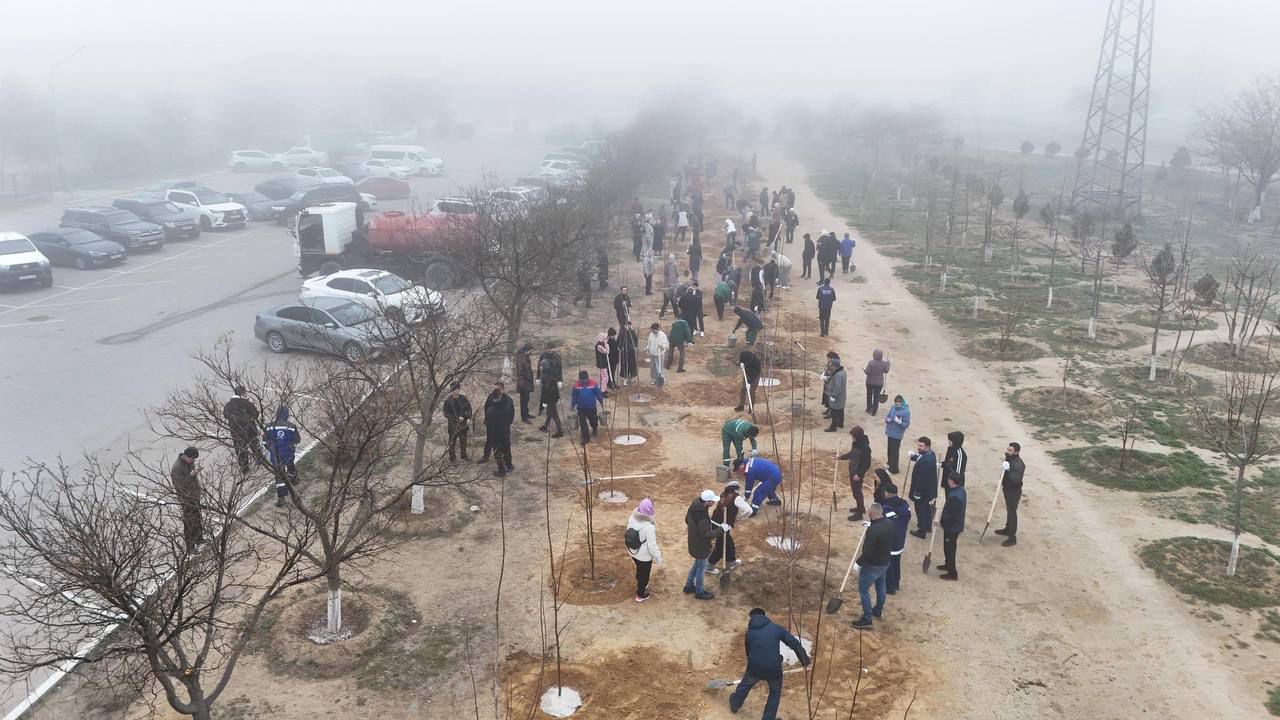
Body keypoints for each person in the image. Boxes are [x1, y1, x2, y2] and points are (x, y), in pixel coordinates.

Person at [729, 607, 811, 719]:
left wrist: (755, 665)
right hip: (773, 669)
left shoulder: (749, 633)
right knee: (775, 693)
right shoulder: (776, 628)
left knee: (745, 683)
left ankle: (735, 704)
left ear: (751, 618)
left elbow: (749, 652)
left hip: (754, 667)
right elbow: (794, 644)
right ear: (764, 616)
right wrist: (805, 661)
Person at [850, 503, 892, 630]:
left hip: (873, 565)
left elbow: (867, 552)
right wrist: (872, 525)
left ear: (871, 514)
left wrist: (858, 563)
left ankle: (867, 618)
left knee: (863, 589)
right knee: (881, 586)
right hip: (885, 562)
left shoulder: (873, 531)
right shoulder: (889, 523)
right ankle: (878, 610)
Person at [708, 480, 752, 576]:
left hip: (714, 521)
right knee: (721, 546)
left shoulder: (723, 494)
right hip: (723, 526)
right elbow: (749, 510)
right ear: (737, 489)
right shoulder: (737, 498)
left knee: (729, 543)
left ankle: (731, 561)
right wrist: (739, 518)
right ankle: (709, 565)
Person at [684, 489, 723, 600]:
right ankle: (699, 592)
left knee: (697, 564)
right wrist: (720, 530)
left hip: (693, 542)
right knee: (701, 569)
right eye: (712, 501)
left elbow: (687, 520)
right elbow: (706, 535)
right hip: (701, 546)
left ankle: (689, 585)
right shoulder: (703, 517)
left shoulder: (694, 505)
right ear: (707, 502)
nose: (713, 503)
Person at [626, 498, 663, 602]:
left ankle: (640, 581)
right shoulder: (649, 527)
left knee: (639, 569)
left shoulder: (632, 517)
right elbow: (652, 546)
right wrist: (658, 557)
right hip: (644, 556)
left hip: (633, 551)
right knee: (644, 575)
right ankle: (640, 594)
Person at [264, 406, 300, 506]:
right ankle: (293, 478)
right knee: (290, 465)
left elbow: (264, 442)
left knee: (279, 475)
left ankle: (282, 498)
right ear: (286, 415)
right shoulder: (291, 426)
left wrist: (271, 449)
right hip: (288, 452)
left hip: (275, 455)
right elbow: (297, 440)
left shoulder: (269, 427)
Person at [881, 482, 912, 595]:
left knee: (889, 564)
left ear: (887, 493)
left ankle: (890, 587)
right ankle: (896, 583)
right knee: (896, 561)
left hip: (890, 540)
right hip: (900, 538)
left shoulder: (885, 507)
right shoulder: (905, 504)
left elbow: (883, 522)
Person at [170, 447, 204, 550]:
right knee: (189, 521)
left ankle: (199, 539)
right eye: (192, 458)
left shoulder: (190, 463)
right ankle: (190, 546)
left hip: (194, 495)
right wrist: (191, 475)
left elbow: (193, 479)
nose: (193, 461)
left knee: (197, 518)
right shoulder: (177, 467)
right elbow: (180, 485)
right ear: (186, 456)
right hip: (186, 498)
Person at [223, 386, 259, 476]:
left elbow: (225, 415)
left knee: (240, 448)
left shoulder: (228, 405)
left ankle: (244, 468)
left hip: (236, 431)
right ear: (242, 393)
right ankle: (259, 459)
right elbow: (255, 414)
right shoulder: (246, 403)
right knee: (254, 444)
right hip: (250, 429)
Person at [937, 472, 967, 581]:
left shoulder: (955, 496)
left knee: (949, 549)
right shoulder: (961, 491)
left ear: (952, 481)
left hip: (952, 528)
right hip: (955, 526)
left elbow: (952, 515)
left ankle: (952, 573)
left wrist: (942, 521)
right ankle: (948, 564)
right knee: (949, 547)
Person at [838, 425, 872, 520]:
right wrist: (841, 457)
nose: (852, 438)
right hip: (853, 471)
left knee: (857, 492)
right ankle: (860, 507)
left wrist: (859, 474)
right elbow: (851, 454)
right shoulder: (856, 443)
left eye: (853, 436)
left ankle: (860, 513)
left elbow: (866, 464)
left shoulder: (865, 448)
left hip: (857, 473)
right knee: (855, 492)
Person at [995, 442, 1026, 546]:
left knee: (1012, 512)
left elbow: (1016, 479)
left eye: (1010, 450)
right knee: (1009, 510)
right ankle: (1008, 529)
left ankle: (1012, 537)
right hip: (1007, 489)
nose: (1007, 451)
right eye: (1007, 449)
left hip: (1014, 491)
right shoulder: (1009, 458)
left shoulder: (1019, 464)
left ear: (1016, 452)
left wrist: (1008, 470)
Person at [907, 437, 938, 538]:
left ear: (927, 446)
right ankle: (927, 526)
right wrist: (914, 456)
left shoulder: (926, 461)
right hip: (928, 490)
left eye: (921, 446)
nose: (918, 447)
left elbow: (922, 479)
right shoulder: (930, 454)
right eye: (918, 445)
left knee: (921, 510)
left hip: (923, 491)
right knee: (926, 508)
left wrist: (917, 492)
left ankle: (922, 530)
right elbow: (920, 458)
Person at [484, 382, 515, 476]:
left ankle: (501, 470)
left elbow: (488, 417)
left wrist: (489, 424)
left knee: (498, 451)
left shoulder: (492, 410)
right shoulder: (507, 402)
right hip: (505, 430)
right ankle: (508, 465)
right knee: (506, 448)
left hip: (496, 431)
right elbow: (511, 415)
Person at [570, 370, 605, 445]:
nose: (583, 382)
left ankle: (594, 428)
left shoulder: (593, 384)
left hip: (591, 407)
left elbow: (598, 393)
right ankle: (585, 438)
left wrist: (601, 401)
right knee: (583, 423)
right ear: (579, 379)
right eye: (581, 380)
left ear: (587, 378)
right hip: (581, 408)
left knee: (593, 420)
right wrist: (572, 405)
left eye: (584, 380)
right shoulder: (576, 386)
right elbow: (574, 396)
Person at [537, 343, 564, 438]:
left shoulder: (548, 378)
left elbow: (546, 391)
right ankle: (545, 426)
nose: (540, 368)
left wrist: (560, 380)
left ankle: (560, 430)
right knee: (549, 411)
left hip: (551, 395)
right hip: (551, 394)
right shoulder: (546, 375)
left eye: (542, 367)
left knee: (553, 412)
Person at [442, 384, 473, 463]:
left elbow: (469, 408)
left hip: (463, 423)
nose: (455, 391)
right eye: (453, 389)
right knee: (452, 441)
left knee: (463, 440)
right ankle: (452, 458)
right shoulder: (448, 401)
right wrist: (456, 418)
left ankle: (464, 455)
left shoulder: (463, 398)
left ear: (459, 389)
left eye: (457, 389)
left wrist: (469, 418)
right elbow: (446, 413)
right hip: (453, 424)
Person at [884, 395, 910, 473]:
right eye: (896, 401)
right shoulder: (893, 408)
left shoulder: (906, 411)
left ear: (902, 402)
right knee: (890, 450)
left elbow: (906, 424)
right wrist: (887, 419)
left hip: (897, 434)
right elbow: (887, 416)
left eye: (899, 401)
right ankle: (890, 463)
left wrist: (900, 422)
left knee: (894, 452)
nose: (897, 403)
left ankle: (894, 469)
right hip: (890, 432)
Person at [823, 355, 847, 432]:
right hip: (842, 396)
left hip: (837, 397)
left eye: (832, 365)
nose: (831, 367)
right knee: (841, 410)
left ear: (835, 366)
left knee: (834, 411)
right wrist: (827, 378)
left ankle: (833, 427)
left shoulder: (838, 375)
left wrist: (833, 396)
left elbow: (837, 387)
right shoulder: (842, 372)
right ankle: (840, 423)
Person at [863, 350, 890, 416]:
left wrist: (864, 370)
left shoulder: (871, 363)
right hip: (879, 383)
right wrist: (888, 364)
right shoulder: (884, 363)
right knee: (876, 397)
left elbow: (867, 372)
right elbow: (886, 371)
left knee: (869, 395)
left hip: (870, 382)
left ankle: (869, 409)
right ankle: (874, 411)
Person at [515, 343, 535, 422]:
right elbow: (520, 373)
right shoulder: (521, 359)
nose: (531, 353)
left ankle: (526, 414)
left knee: (526, 400)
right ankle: (524, 418)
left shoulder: (525, 357)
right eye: (530, 351)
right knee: (524, 401)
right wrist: (522, 384)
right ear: (526, 350)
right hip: (523, 383)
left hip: (527, 382)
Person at [619, 321, 639, 386]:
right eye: (626, 325)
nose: (627, 327)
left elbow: (636, 340)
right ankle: (625, 377)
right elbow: (619, 341)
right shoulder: (622, 332)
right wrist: (620, 347)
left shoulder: (632, 332)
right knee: (624, 364)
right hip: (624, 351)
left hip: (631, 351)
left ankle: (632, 376)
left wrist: (635, 346)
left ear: (630, 326)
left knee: (632, 364)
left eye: (628, 325)